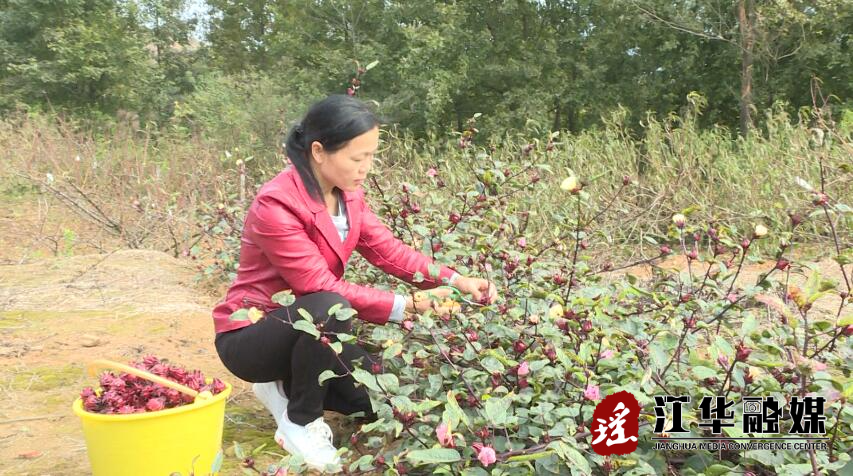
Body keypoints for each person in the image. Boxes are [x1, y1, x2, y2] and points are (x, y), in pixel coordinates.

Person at [211, 94, 498, 471]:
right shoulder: (276, 205)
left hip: (307, 332)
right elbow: (317, 284)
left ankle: (282, 385)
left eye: (371, 156)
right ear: (319, 151)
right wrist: (407, 306)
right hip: (254, 336)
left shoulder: (348, 197)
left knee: (377, 394)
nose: (367, 167)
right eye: (357, 158)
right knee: (331, 305)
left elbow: (390, 252)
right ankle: (300, 422)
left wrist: (457, 280)